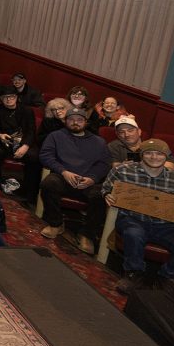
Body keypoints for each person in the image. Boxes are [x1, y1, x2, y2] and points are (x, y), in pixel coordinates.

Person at [103, 139, 174, 294]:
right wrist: (107, 195)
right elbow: (106, 188)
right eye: (149, 153)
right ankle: (133, 274)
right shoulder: (122, 170)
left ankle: (165, 280)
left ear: (166, 156)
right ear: (141, 155)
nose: (154, 157)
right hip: (133, 219)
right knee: (133, 234)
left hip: (166, 225)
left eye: (159, 153)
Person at [39, 106, 112, 254]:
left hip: (87, 182)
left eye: (79, 120)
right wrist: (64, 172)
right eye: (71, 119)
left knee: (100, 195)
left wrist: (92, 178)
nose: (75, 123)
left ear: (86, 122)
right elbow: (46, 155)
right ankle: (56, 223)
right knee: (49, 183)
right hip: (63, 177)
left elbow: (104, 164)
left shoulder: (98, 142)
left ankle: (87, 234)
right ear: (65, 121)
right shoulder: (55, 136)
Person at [0, 87, 41, 202]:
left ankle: (29, 192)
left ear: (17, 97)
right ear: (1, 99)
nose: (9, 100)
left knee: (34, 158)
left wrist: (25, 146)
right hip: (6, 141)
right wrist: (0, 135)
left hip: (24, 142)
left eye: (12, 97)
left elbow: (31, 131)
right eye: (5, 98)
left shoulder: (27, 111)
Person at [108, 116, 174, 170]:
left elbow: (171, 167)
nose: (126, 135)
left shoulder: (155, 144)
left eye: (130, 130)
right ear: (117, 135)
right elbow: (114, 167)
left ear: (139, 132)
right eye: (121, 132)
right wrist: (123, 165)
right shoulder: (113, 146)